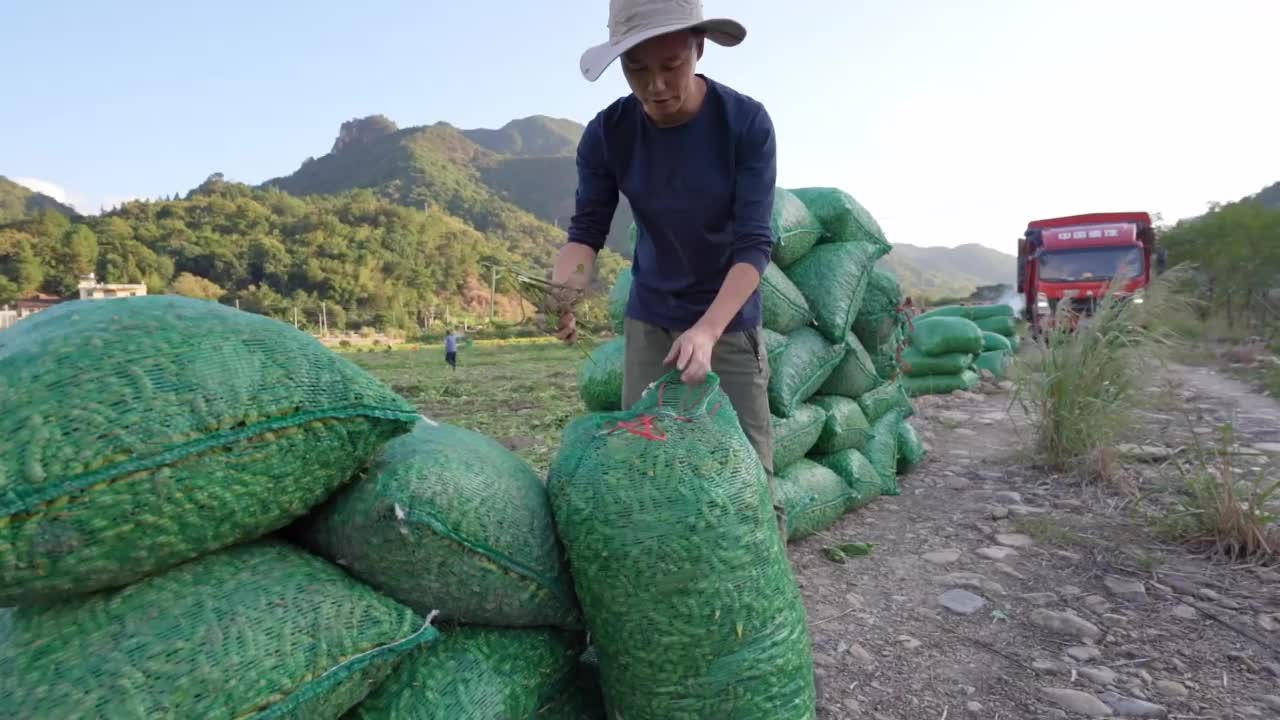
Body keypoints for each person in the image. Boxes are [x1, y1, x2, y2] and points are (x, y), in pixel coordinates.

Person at [547, 0, 783, 532]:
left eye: (670, 65)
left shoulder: (744, 123)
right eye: (636, 69)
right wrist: (563, 297)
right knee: (648, 465)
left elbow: (753, 246)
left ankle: (764, 593)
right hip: (650, 313)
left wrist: (707, 329)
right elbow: (585, 234)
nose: (654, 85)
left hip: (728, 315)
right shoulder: (608, 134)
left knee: (746, 471)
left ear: (698, 49)